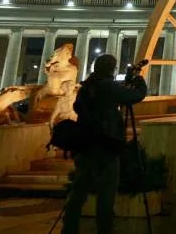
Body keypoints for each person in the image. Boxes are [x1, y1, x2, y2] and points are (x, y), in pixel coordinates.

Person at [61, 54, 147, 234]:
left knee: (79, 191)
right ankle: (104, 229)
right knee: (106, 193)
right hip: (106, 146)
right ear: (110, 69)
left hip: (85, 145)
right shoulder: (107, 86)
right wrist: (139, 80)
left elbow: (81, 107)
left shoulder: (86, 87)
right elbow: (136, 95)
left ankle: (69, 228)